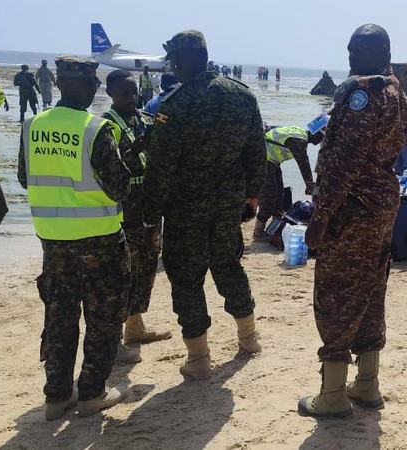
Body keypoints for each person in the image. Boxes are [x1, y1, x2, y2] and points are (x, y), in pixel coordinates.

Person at [297, 23, 407, 419]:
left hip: (353, 205)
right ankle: (367, 384)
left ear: (379, 50)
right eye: (349, 49)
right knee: (371, 287)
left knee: (336, 291)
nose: (349, 56)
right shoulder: (396, 91)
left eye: (357, 49)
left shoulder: (363, 91)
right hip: (380, 200)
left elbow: (345, 161)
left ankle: (332, 395)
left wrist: (320, 216)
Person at [142, 30, 266, 380]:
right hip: (228, 202)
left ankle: (198, 358)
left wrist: (150, 216)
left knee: (186, 277)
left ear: (181, 61)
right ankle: (249, 338)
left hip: (185, 207)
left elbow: (160, 168)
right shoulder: (242, 96)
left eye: (173, 61)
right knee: (228, 265)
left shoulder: (174, 105)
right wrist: (252, 195)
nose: (172, 67)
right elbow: (256, 151)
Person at [17, 56, 132, 420]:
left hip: (53, 243)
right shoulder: (94, 129)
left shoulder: (31, 125)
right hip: (99, 241)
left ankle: (57, 397)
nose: (96, 89)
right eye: (93, 84)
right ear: (83, 86)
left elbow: (24, 177)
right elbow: (119, 188)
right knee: (103, 318)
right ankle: (92, 395)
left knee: (60, 318)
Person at [103, 70, 173, 364]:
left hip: (149, 205)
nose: (131, 99)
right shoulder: (107, 124)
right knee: (122, 272)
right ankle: (115, 337)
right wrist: (138, 149)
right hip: (124, 210)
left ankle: (135, 326)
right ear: (110, 94)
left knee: (146, 266)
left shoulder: (143, 118)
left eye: (134, 93)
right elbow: (111, 167)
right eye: (124, 94)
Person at [253, 126, 323, 239]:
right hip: (263, 160)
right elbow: (304, 165)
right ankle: (258, 232)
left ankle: (273, 230)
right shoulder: (299, 141)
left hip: (272, 161)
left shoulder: (298, 131)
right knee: (270, 196)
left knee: (280, 195)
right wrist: (310, 185)